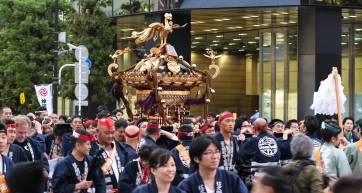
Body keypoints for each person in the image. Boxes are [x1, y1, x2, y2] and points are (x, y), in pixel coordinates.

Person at [178, 135, 248, 193]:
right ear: (196, 158)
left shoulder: (232, 178)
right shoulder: (187, 185)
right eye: (208, 153)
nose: (214, 156)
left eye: (217, 152)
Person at [96, 118, 126, 192]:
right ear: (97, 131)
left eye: (112, 133)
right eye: (106, 133)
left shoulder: (120, 148)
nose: (110, 136)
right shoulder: (91, 149)